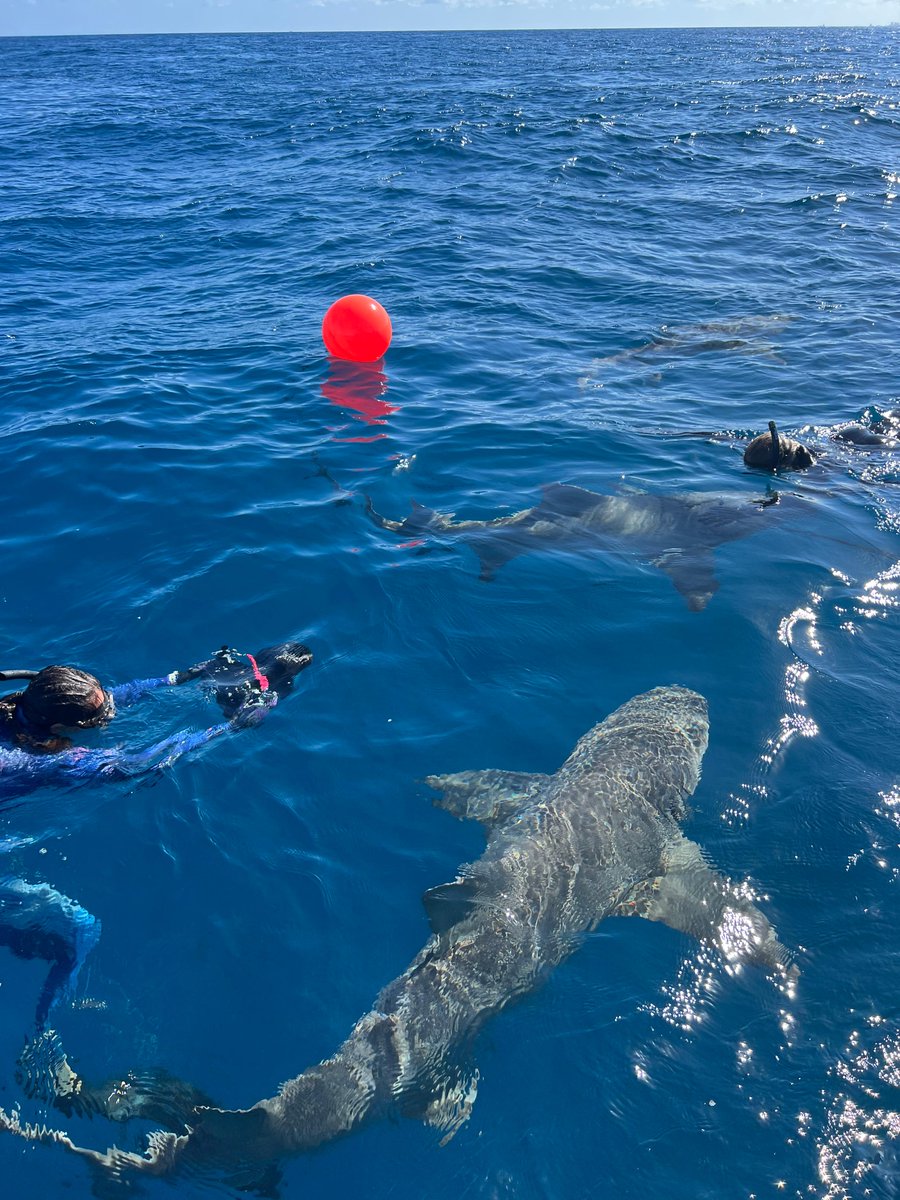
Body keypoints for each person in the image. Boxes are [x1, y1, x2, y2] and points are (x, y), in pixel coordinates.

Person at [0, 643, 312, 1029]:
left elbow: (119, 696)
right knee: (79, 929)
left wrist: (186, 674)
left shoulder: (22, 710)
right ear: (58, 728)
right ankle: (42, 1038)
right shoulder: (44, 763)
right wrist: (232, 725)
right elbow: (138, 764)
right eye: (101, 718)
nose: (111, 713)